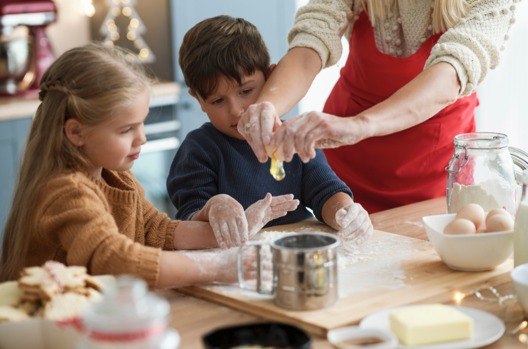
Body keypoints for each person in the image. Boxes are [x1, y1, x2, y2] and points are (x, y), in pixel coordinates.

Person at [0, 43, 291, 288]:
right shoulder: (65, 192)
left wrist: (235, 232)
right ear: (76, 133)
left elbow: (157, 230)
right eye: (126, 129)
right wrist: (218, 267)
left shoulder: (116, 177)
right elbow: (114, 259)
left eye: (142, 123)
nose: (142, 137)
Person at [237, 0, 519, 213]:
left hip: (435, 169)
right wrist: (267, 105)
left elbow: (453, 70)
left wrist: (360, 125)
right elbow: (312, 36)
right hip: (346, 167)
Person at [167, 15, 373, 247]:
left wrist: (345, 213)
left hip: (295, 252)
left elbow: (325, 190)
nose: (236, 111)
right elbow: (188, 218)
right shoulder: (198, 150)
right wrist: (213, 208)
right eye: (217, 101)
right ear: (199, 100)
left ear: (272, 77)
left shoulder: (292, 137)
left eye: (245, 91)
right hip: (231, 264)